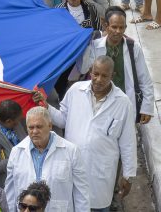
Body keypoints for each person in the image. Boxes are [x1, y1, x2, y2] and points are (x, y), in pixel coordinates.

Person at [35, 56, 137, 211]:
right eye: (96, 74)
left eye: (104, 76)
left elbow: (128, 143)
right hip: (72, 168)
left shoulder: (123, 103)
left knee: (97, 206)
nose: (98, 79)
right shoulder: (76, 91)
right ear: (90, 72)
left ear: (113, 75)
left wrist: (128, 175)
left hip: (100, 174)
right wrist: (45, 105)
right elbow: (62, 120)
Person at [80, 6, 156, 124]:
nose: (118, 31)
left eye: (121, 27)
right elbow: (83, 69)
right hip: (100, 104)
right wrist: (85, 45)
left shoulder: (133, 48)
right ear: (106, 26)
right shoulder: (95, 46)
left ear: (125, 28)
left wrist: (147, 108)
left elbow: (144, 80)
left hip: (125, 104)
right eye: (114, 27)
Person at [5, 107, 90, 211]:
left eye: (39, 127)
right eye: (31, 127)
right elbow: (10, 192)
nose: (35, 131)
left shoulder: (71, 151)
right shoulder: (16, 152)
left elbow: (81, 192)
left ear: (50, 126)